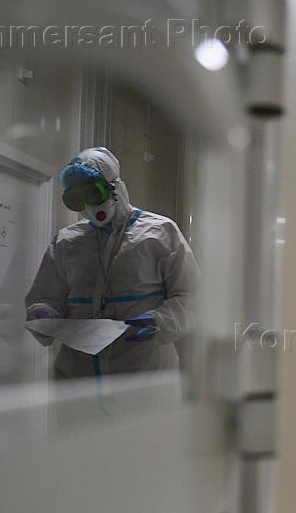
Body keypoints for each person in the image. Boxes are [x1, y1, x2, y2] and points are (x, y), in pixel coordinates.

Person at [25, 146, 198, 379]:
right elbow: (46, 296)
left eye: (93, 193)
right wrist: (44, 315)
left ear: (114, 187)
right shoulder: (67, 241)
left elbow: (193, 296)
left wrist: (160, 321)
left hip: (142, 371)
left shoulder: (160, 233)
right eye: (77, 199)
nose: (88, 205)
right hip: (78, 375)